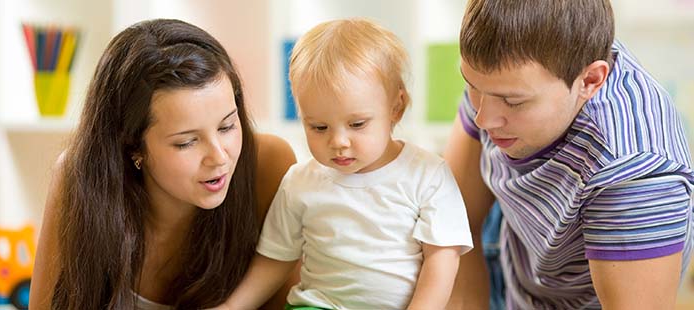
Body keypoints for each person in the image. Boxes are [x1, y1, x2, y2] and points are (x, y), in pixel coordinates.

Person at [29, 19, 299, 309]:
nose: (219, 156)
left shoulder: (269, 165)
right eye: (186, 142)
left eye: (227, 127)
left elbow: (293, 302)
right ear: (133, 146)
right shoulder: (80, 175)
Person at [445, 0, 694, 309]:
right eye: (473, 86)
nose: (482, 119)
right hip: (514, 267)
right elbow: (456, 223)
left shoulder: (633, 174)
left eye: (512, 102)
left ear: (589, 81)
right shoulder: (507, 73)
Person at [218, 18, 473, 310]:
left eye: (356, 124)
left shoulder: (427, 174)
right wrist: (230, 307)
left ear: (396, 108)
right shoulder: (300, 181)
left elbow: (442, 259)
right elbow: (276, 257)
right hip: (317, 306)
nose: (339, 141)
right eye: (319, 127)